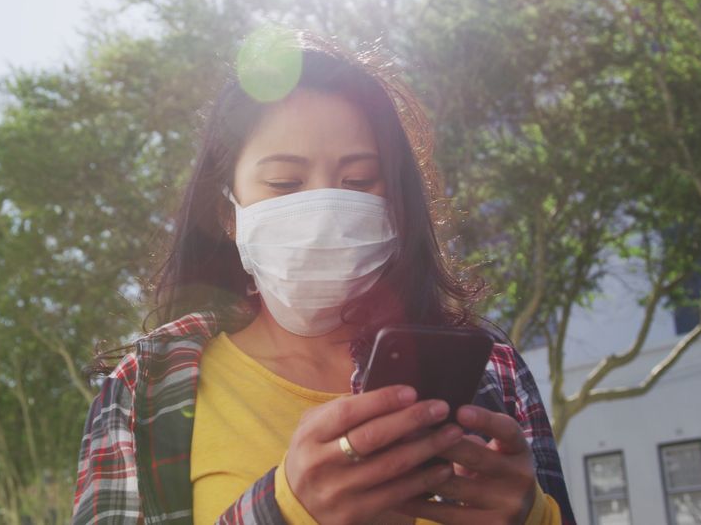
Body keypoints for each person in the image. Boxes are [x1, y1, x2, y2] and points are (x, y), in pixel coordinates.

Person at [71, 30, 577, 524]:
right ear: (229, 211)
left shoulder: (494, 372)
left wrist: (531, 515)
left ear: (394, 204)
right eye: (285, 183)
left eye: (358, 182)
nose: (324, 213)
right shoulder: (146, 393)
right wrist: (282, 512)